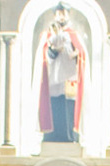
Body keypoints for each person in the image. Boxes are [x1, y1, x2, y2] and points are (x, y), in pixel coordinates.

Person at [37, 3, 85, 143]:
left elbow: (81, 53)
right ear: (55, 16)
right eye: (58, 13)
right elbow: (45, 53)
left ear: (68, 15)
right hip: (53, 79)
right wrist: (53, 51)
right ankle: (52, 136)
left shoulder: (73, 35)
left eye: (63, 13)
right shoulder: (48, 34)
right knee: (54, 105)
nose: (61, 16)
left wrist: (76, 55)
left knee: (69, 106)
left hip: (69, 79)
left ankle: (70, 135)